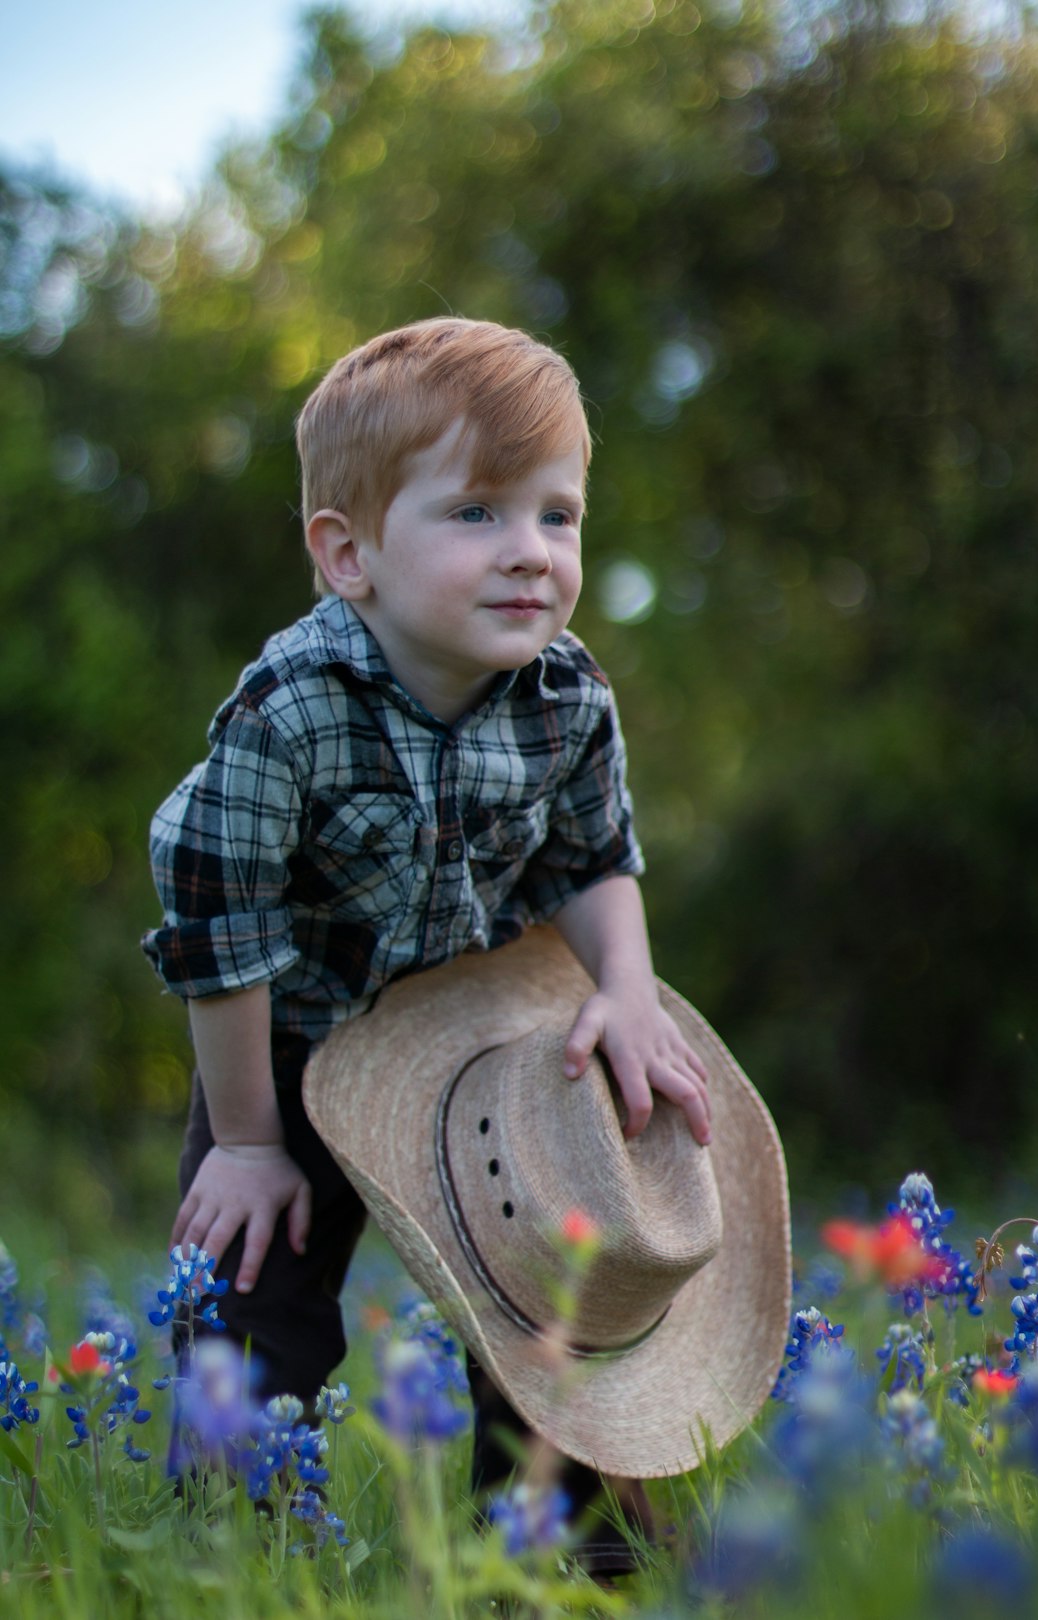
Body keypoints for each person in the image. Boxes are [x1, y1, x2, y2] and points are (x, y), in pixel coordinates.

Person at [142, 316, 714, 1568]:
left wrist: (624, 984)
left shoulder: (568, 694)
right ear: (348, 555)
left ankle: (570, 1556)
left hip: (481, 1045)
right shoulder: (284, 714)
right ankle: (234, 1554)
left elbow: (592, 857)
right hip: (289, 1041)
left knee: (548, 1293)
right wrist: (244, 1140)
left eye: (556, 516)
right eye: (477, 514)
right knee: (254, 1296)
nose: (531, 555)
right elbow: (217, 927)